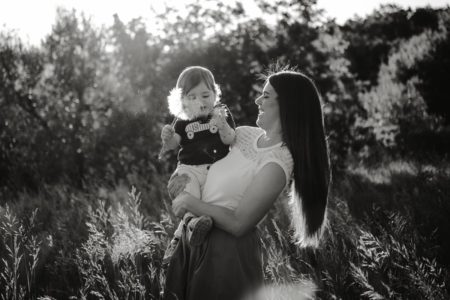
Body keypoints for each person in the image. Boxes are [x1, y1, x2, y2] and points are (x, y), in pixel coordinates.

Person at [163, 69, 331, 300]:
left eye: (266, 96)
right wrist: (180, 179)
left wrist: (191, 203)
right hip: (192, 240)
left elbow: (239, 223)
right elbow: (198, 160)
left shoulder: (279, 161)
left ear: (288, 106)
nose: (257, 100)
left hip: (226, 255)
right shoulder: (242, 135)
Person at [160, 66, 236, 263]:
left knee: (217, 202)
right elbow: (173, 144)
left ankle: (185, 233)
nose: (200, 101)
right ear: (182, 101)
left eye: (205, 95)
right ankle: (190, 227)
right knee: (188, 193)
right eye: (192, 97)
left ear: (215, 94)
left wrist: (224, 126)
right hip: (189, 169)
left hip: (217, 171)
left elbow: (230, 140)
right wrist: (167, 137)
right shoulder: (182, 120)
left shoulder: (221, 113)